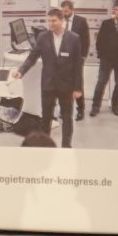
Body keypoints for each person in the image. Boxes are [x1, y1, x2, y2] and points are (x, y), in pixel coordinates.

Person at [16, 9, 87, 149]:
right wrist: (21, 71)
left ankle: (66, 145)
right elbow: (32, 57)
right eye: (48, 20)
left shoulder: (74, 38)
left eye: (54, 20)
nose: (50, 23)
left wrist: (78, 88)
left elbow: (77, 66)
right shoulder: (42, 37)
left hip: (66, 85)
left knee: (67, 117)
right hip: (48, 84)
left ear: (62, 20)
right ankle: (44, 146)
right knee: (46, 117)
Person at [93, 1, 118, 116]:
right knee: (101, 82)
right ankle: (95, 106)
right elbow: (99, 40)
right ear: (114, 11)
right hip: (106, 59)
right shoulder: (106, 23)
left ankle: (115, 105)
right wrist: (101, 54)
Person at [56, 0, 92, 118]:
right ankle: (63, 109)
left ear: (72, 10)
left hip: (76, 58)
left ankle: (80, 109)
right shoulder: (60, 20)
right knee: (63, 84)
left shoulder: (81, 21)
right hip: (62, 58)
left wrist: (83, 57)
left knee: (77, 84)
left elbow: (86, 41)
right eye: (62, 11)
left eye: (66, 11)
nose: (64, 13)